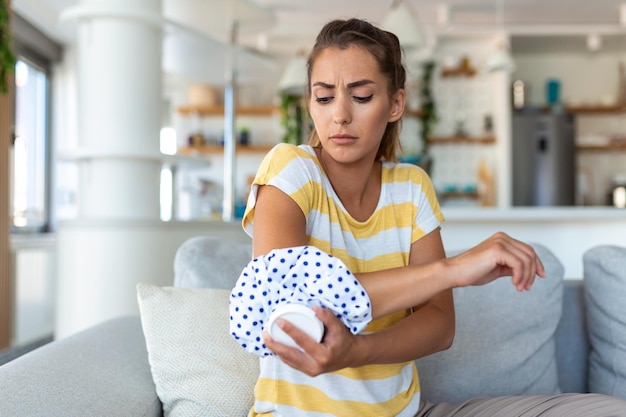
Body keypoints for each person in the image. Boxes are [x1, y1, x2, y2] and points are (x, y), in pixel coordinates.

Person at [239, 17, 626, 417]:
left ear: (395, 104)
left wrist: (356, 351)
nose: (339, 115)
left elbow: (440, 325)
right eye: (324, 97)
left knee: (608, 410)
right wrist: (452, 270)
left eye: (362, 96)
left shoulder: (411, 187)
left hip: (410, 413)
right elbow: (284, 298)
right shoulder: (291, 169)